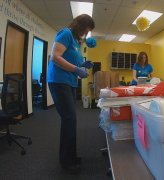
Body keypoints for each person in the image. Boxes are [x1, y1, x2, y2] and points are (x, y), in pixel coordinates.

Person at [47, 14, 95, 173]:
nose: (86, 34)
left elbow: (73, 59)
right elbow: (55, 57)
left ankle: (71, 156)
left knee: (70, 120)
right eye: (86, 30)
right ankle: (67, 161)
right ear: (80, 25)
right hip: (59, 81)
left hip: (69, 82)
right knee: (69, 119)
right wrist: (76, 69)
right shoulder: (66, 33)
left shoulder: (76, 41)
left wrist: (82, 63)